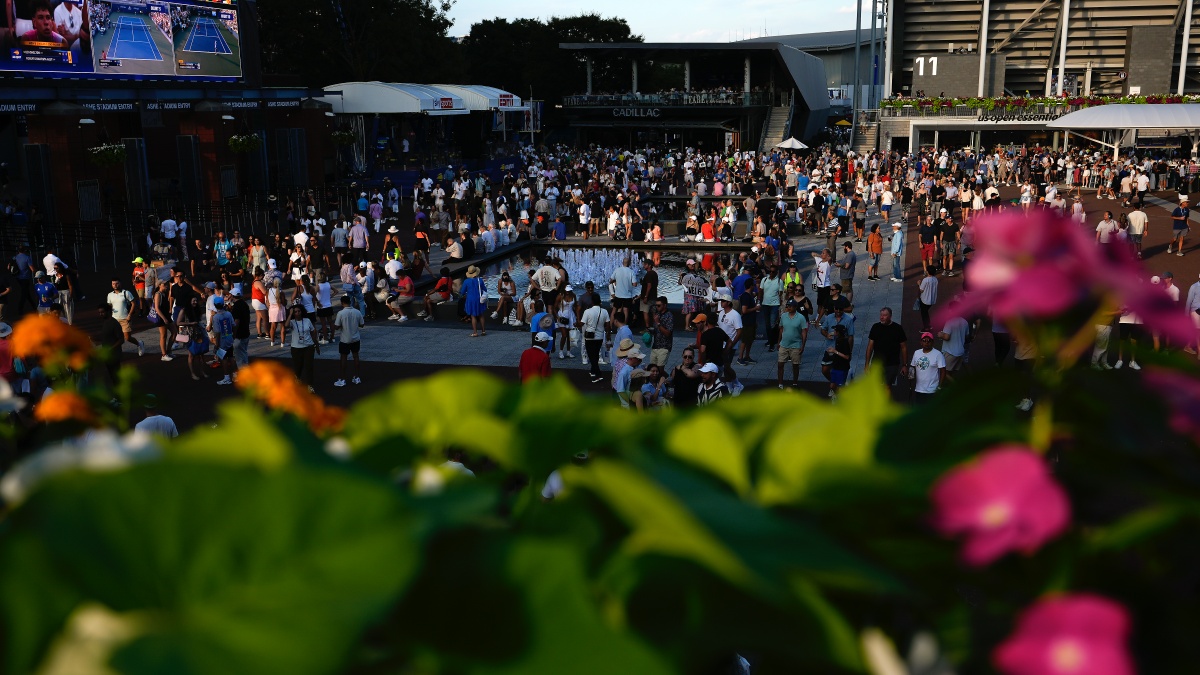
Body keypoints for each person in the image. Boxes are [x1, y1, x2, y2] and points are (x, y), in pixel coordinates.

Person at [864, 307, 908, 396]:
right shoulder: (875, 327)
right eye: (881, 315)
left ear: (890, 316)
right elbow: (870, 347)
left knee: (887, 386)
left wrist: (904, 365)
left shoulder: (897, 328)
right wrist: (867, 364)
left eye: (884, 315)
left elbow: (903, 347)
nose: (882, 317)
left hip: (892, 363)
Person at [107, 278, 145, 357]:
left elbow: (133, 303)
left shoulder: (126, 293)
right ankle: (117, 353)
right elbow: (109, 306)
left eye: (116, 283)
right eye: (113, 284)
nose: (115, 285)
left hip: (125, 318)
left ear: (120, 284)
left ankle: (139, 344)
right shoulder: (110, 295)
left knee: (127, 338)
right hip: (115, 319)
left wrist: (129, 315)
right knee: (116, 338)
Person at [776, 299, 808, 389]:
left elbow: (804, 332)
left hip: (796, 345)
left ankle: (794, 383)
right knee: (780, 364)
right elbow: (781, 329)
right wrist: (778, 342)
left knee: (795, 365)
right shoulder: (783, 316)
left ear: (795, 307)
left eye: (790, 306)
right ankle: (780, 384)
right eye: (787, 306)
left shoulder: (801, 317)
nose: (788, 308)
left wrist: (803, 345)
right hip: (784, 344)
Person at [334, 295, 364, 387]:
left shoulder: (341, 313)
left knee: (343, 358)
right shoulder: (357, 312)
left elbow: (336, 326)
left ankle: (342, 379)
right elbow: (362, 325)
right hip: (356, 338)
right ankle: (357, 377)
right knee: (356, 356)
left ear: (342, 303)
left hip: (345, 339)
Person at [908, 331, 946, 402]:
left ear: (933, 342)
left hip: (932, 390)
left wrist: (940, 386)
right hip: (919, 389)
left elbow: (943, 371)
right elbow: (912, 366)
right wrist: (910, 374)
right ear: (921, 342)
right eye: (924, 341)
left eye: (929, 341)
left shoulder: (938, 354)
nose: (926, 343)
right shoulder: (916, 353)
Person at [288, 303, 318, 391]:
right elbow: (285, 326)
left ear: (302, 311)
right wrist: (290, 314)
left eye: (299, 311)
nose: (297, 313)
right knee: (298, 366)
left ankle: (309, 385)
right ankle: (297, 379)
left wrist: (316, 344)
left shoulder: (307, 320)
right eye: (295, 312)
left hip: (308, 346)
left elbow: (313, 332)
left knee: (309, 366)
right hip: (296, 347)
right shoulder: (292, 322)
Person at [580, 296, 610, 383]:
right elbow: (608, 325)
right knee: (596, 354)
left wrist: (576, 323)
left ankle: (598, 374)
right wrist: (608, 336)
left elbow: (582, 323)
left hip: (589, 336)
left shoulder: (587, 311)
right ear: (600, 302)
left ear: (592, 302)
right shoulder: (604, 311)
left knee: (591, 356)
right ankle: (593, 371)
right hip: (600, 337)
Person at [209, 296, 236, 385]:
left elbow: (217, 332)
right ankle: (235, 375)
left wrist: (217, 344)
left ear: (215, 305)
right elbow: (233, 325)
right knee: (231, 356)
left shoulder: (216, 317)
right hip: (229, 337)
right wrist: (233, 336)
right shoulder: (228, 314)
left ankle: (227, 377)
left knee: (223, 359)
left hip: (222, 340)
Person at [229, 286, 251, 371]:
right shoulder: (244, 304)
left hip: (239, 334)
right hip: (246, 332)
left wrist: (234, 334)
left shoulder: (236, 307)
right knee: (244, 353)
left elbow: (236, 322)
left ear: (233, 296)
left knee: (239, 356)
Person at [462, 265, 488, 337]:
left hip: (471, 299)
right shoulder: (480, 280)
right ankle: (483, 331)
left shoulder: (466, 281)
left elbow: (462, 292)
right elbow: (485, 290)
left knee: (473, 316)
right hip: (479, 299)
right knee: (481, 315)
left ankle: (475, 332)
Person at [918, 266, 939, 331]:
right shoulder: (935, 279)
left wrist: (919, 284)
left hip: (925, 299)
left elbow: (921, 290)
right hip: (932, 299)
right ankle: (928, 325)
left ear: (928, 272)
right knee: (926, 312)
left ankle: (926, 327)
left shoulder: (925, 280)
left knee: (924, 314)